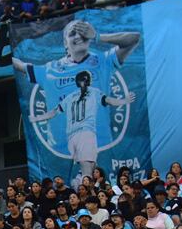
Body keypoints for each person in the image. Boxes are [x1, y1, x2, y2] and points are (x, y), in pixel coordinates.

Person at [18, 19, 141, 182]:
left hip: (101, 145)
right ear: (65, 43)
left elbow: (133, 39)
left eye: (83, 32)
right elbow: (19, 66)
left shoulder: (102, 61)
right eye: (72, 33)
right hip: (59, 151)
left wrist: (97, 36)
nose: (79, 36)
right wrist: (37, 118)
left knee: (89, 178)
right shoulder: (50, 69)